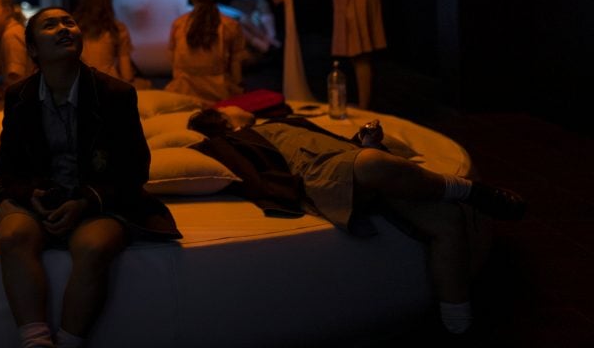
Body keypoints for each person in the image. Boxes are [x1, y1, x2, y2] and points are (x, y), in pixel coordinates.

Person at [188, 108, 525, 336]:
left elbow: (339, 145)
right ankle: (474, 192)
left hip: (351, 160)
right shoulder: (228, 142)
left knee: (448, 222)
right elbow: (244, 174)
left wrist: (364, 142)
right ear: (223, 120)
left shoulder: (286, 120)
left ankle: (457, 330)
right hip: (318, 174)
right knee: (372, 165)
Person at [0, 7, 180, 348]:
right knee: (14, 234)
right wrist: (30, 192)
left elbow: (135, 168)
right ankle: (35, 341)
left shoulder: (114, 94)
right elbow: (7, 167)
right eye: (50, 25)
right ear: (33, 50)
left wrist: (86, 201)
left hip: (97, 200)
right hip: (41, 200)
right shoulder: (20, 95)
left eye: (69, 22)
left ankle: (68, 340)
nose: (64, 28)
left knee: (93, 246)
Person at [166, 0, 246, 104]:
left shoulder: (179, 24)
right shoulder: (231, 26)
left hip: (182, 95)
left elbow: (174, 65)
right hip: (221, 96)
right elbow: (236, 74)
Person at [71, 0, 134, 83]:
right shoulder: (117, 29)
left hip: (80, 86)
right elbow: (126, 73)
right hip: (108, 86)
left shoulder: (72, 28)